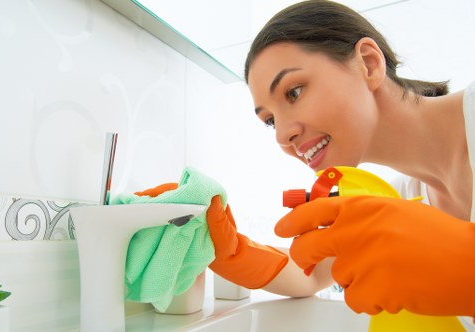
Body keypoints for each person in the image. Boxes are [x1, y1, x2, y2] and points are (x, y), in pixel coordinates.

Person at [140, 0, 475, 321]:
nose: (282, 136)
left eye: (294, 92)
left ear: (369, 64)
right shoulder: (405, 200)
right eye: (270, 120)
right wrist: (228, 247)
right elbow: (311, 276)